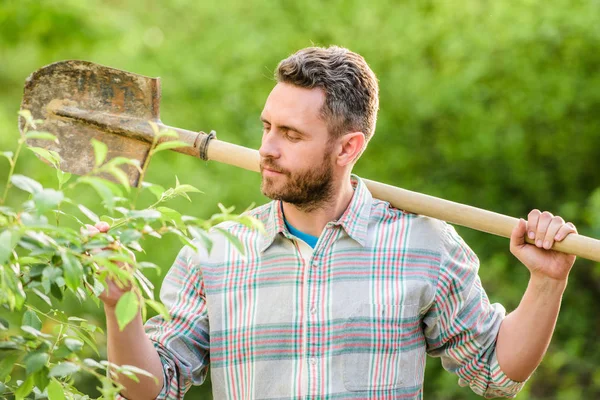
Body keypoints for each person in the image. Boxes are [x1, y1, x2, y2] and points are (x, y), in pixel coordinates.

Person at [99, 46, 578, 400]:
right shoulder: (216, 250)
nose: (268, 148)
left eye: (291, 134)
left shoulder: (424, 243)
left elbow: (497, 371)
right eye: (267, 127)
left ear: (348, 148)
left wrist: (546, 280)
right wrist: (120, 306)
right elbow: (149, 390)